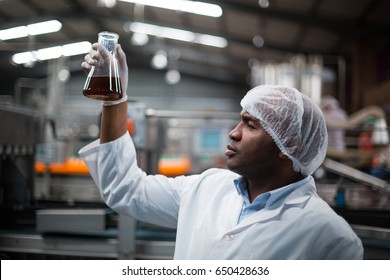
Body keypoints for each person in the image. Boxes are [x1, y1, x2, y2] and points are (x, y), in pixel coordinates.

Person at [79, 43, 363, 260]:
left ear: (289, 146)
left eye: (250, 125)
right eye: (240, 120)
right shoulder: (206, 187)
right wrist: (114, 100)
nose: (233, 132)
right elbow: (126, 190)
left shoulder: (330, 237)